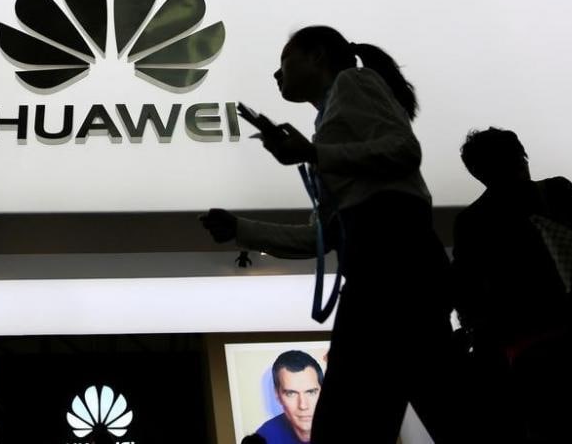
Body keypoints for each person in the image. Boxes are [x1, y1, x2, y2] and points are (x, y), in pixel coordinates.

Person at [202, 26, 479, 443]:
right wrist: (241, 229)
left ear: (317, 56)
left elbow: (403, 150)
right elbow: (323, 237)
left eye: (285, 61)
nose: (277, 74)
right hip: (393, 272)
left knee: (353, 421)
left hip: (390, 269)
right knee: (444, 407)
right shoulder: (329, 118)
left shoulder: (354, 81)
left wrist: (313, 153)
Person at [452, 127, 572, 441]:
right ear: (521, 157)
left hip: (523, 350)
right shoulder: (556, 191)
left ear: (477, 173)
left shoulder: (471, 221)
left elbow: (466, 292)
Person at [256, 351, 322, 444]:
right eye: (291, 393)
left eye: (311, 392)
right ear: (277, 395)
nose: (303, 406)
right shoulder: (265, 436)